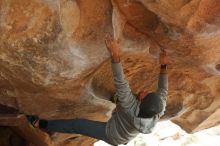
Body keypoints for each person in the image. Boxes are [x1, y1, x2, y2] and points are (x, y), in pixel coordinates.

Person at [27, 35, 168, 146]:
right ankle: (116, 105)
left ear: (141, 103)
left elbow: (120, 81)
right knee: (122, 97)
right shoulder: (158, 109)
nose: (147, 90)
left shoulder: (129, 106)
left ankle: (41, 124)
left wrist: (115, 53)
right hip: (128, 126)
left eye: (146, 94)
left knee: (78, 125)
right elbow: (163, 90)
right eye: (151, 92)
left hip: (112, 134)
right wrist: (163, 65)